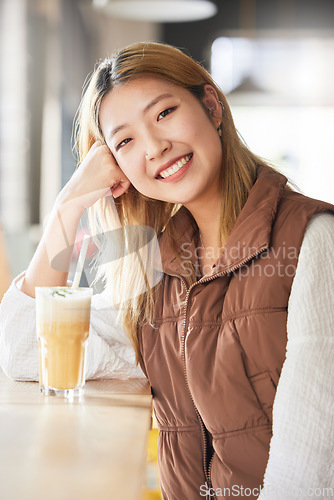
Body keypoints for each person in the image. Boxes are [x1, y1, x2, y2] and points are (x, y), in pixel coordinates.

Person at [1, 42, 334, 500]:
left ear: (212, 106)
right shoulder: (157, 272)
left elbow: (310, 474)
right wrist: (69, 204)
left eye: (164, 113)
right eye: (125, 141)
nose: (156, 147)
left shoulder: (313, 240)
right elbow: (23, 352)